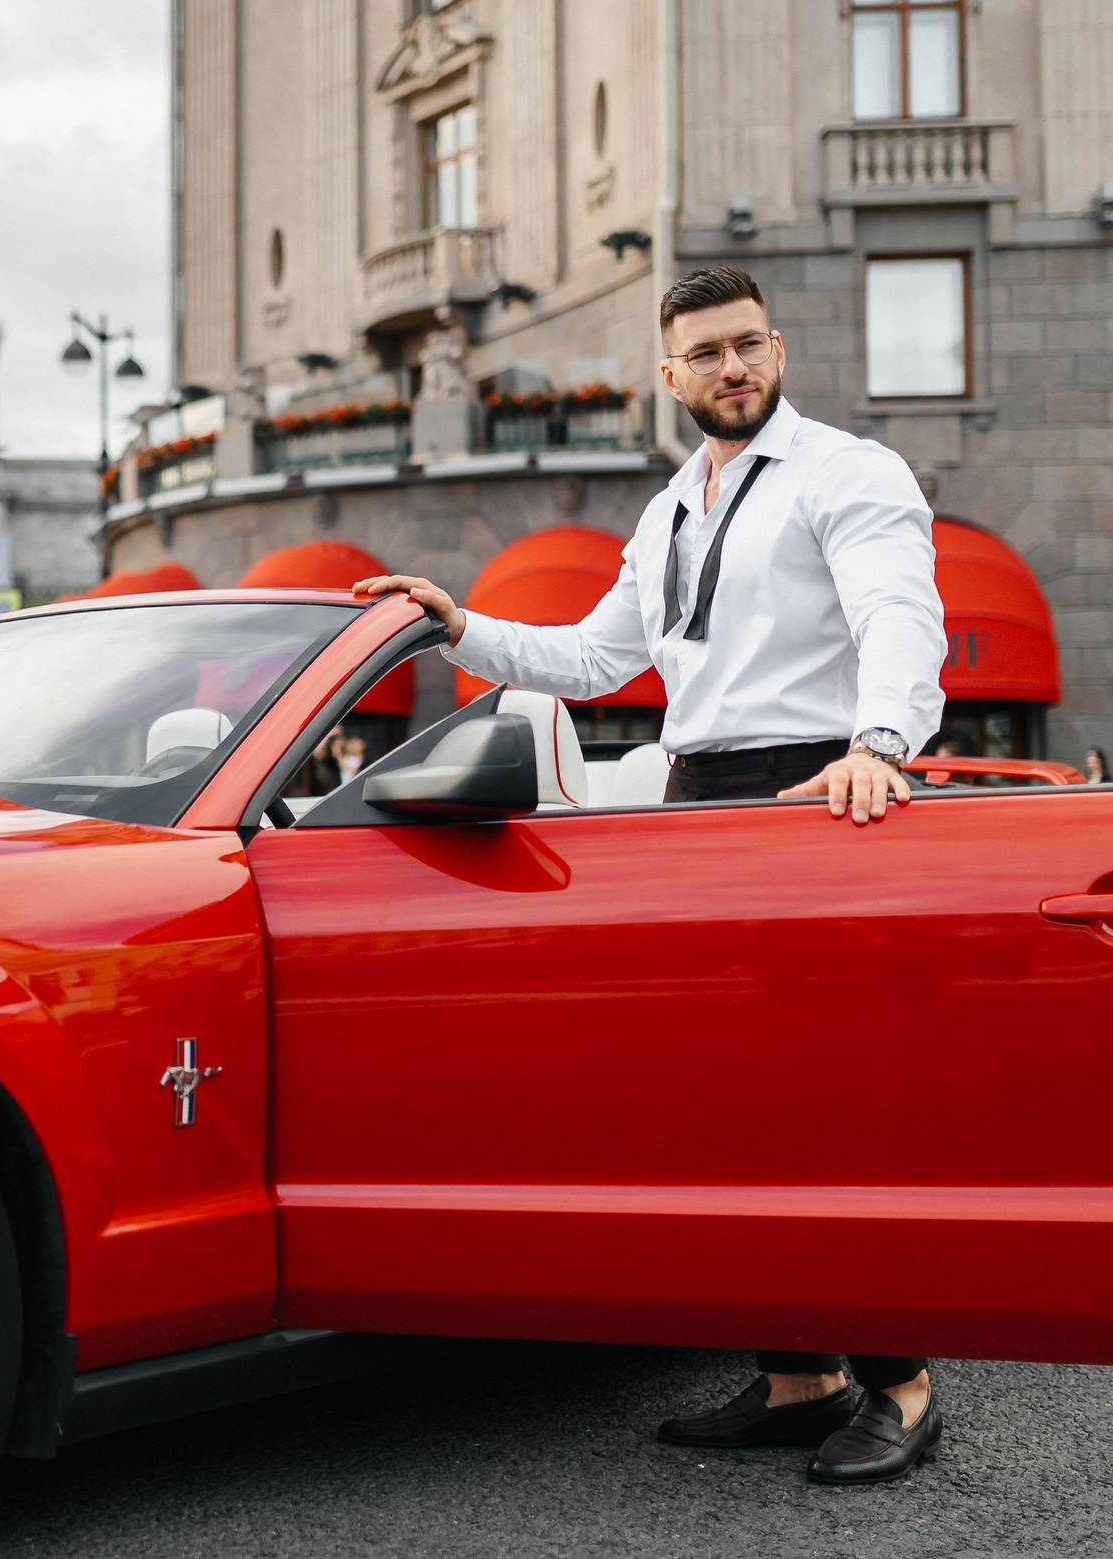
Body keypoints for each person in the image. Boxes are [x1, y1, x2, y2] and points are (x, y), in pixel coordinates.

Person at [355, 265, 948, 1484]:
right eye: (705, 353)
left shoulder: (848, 471)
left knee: (825, 1111)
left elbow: (902, 614)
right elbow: (592, 654)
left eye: (748, 346)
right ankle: (799, 1377)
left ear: (775, 351)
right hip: (698, 802)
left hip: (814, 794)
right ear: (668, 375)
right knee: (727, 1110)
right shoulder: (670, 506)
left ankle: (901, 1379)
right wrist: (457, 625)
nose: (731, 368)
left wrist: (878, 744)